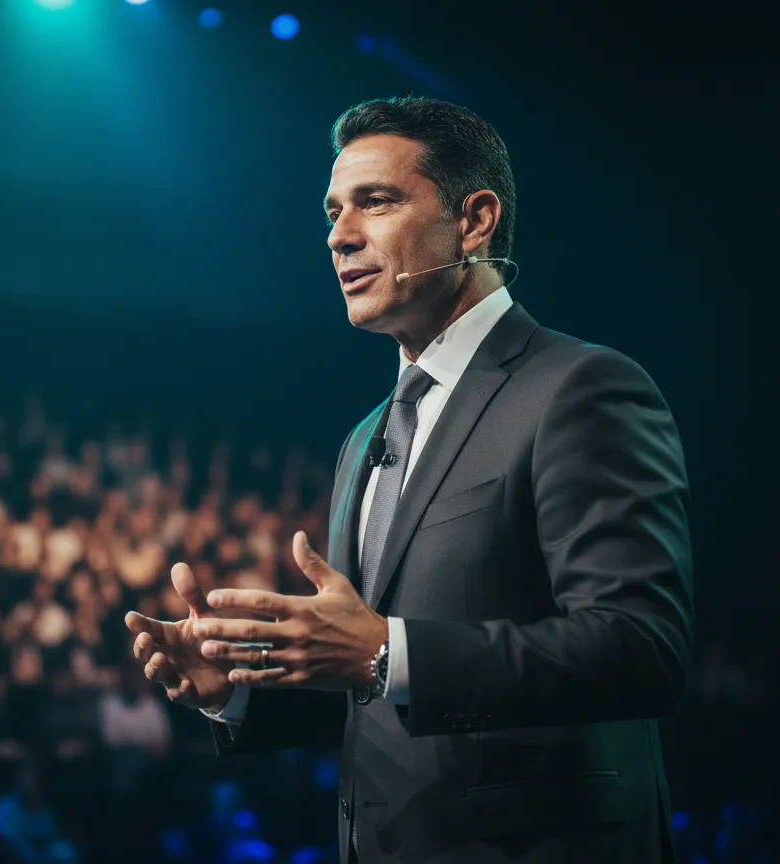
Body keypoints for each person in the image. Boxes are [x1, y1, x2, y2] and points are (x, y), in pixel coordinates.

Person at [125, 96, 693, 864]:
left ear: (474, 220)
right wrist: (238, 692)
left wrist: (383, 652)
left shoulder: (579, 389)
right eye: (333, 211)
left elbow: (640, 648)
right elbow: (379, 695)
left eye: (377, 201)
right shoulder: (363, 440)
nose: (339, 234)